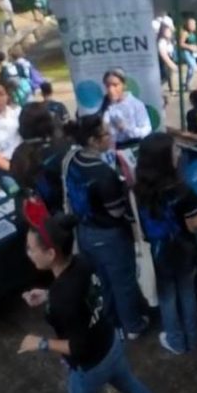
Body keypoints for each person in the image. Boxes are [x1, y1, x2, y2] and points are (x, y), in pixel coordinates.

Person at [20, 214, 171, 393]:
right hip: (111, 343)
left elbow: (77, 346)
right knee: (132, 385)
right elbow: (80, 296)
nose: (28, 253)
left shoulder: (61, 298)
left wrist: (39, 343)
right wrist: (48, 295)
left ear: (51, 254)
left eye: (31, 249)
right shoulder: (81, 262)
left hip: (89, 366)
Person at [58, 113, 149, 340]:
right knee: (123, 282)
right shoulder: (103, 174)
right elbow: (116, 211)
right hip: (109, 236)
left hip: (85, 232)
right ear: (92, 140)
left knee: (104, 280)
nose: (111, 136)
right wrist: (128, 186)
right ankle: (133, 326)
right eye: (106, 133)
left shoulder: (71, 158)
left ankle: (114, 324)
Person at [131, 130, 197, 356]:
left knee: (167, 297)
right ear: (164, 158)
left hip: (158, 251)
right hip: (183, 250)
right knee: (187, 291)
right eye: (175, 149)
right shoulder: (182, 189)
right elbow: (195, 224)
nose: (179, 152)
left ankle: (175, 340)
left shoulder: (137, 188)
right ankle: (192, 339)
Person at [99, 68, 151, 148]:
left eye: (115, 85)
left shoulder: (136, 105)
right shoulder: (105, 103)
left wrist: (127, 129)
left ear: (124, 85)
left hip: (133, 146)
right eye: (108, 86)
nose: (111, 90)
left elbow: (147, 130)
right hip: (112, 148)